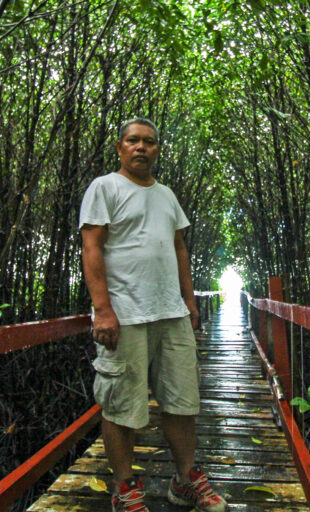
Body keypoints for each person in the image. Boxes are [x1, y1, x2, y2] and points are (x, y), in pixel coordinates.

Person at [79, 118, 227, 512]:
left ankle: (184, 480)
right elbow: (91, 248)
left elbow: (179, 249)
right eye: (133, 141)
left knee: (182, 401)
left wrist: (190, 301)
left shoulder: (167, 195)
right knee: (122, 405)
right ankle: (125, 488)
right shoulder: (105, 188)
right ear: (120, 146)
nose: (141, 147)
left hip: (171, 313)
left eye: (149, 142)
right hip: (125, 315)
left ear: (158, 149)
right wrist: (103, 309)